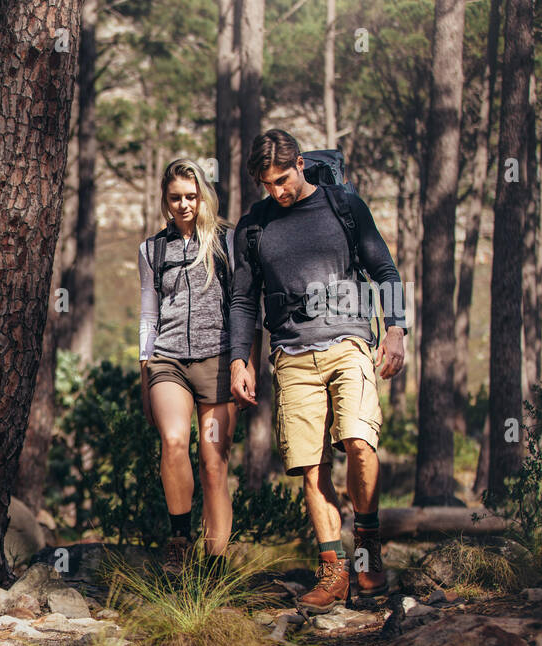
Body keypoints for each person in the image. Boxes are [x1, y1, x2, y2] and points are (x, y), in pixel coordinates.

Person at [228, 130, 408, 613]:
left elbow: (384, 271)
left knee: (359, 444)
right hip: (291, 355)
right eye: (267, 184)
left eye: (283, 180)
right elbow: (243, 299)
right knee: (311, 466)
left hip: (350, 342)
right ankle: (334, 572)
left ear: (301, 165)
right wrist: (238, 358)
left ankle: (367, 549)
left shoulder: (343, 206)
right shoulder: (255, 225)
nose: (277, 192)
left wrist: (395, 330)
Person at [138, 158, 237, 574]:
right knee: (175, 440)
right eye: (175, 197)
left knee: (213, 463)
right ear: (165, 199)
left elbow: (242, 304)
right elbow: (148, 311)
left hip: (216, 360)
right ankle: (180, 539)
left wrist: (241, 361)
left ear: (203, 197)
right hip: (168, 360)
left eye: (191, 197)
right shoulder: (151, 249)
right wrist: (144, 364)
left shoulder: (226, 242)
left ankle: (215, 569)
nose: (183, 205)